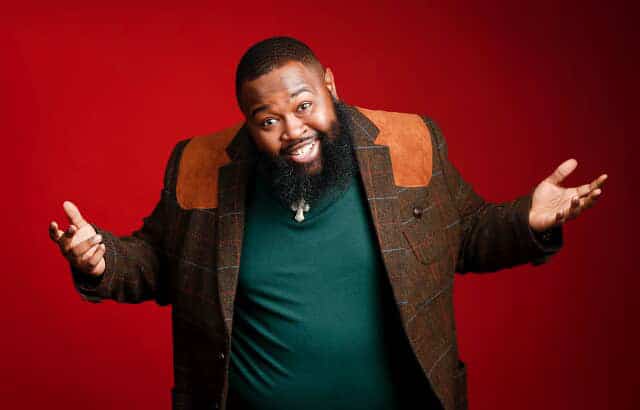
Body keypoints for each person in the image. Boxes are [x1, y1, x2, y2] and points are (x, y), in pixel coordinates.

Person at [48, 37, 607, 410]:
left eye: (303, 105)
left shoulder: (408, 144)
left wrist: (527, 219)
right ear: (248, 123)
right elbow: (157, 263)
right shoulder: (200, 166)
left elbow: (468, 236)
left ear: (330, 87)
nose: (293, 130)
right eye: (267, 120)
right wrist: (101, 260)